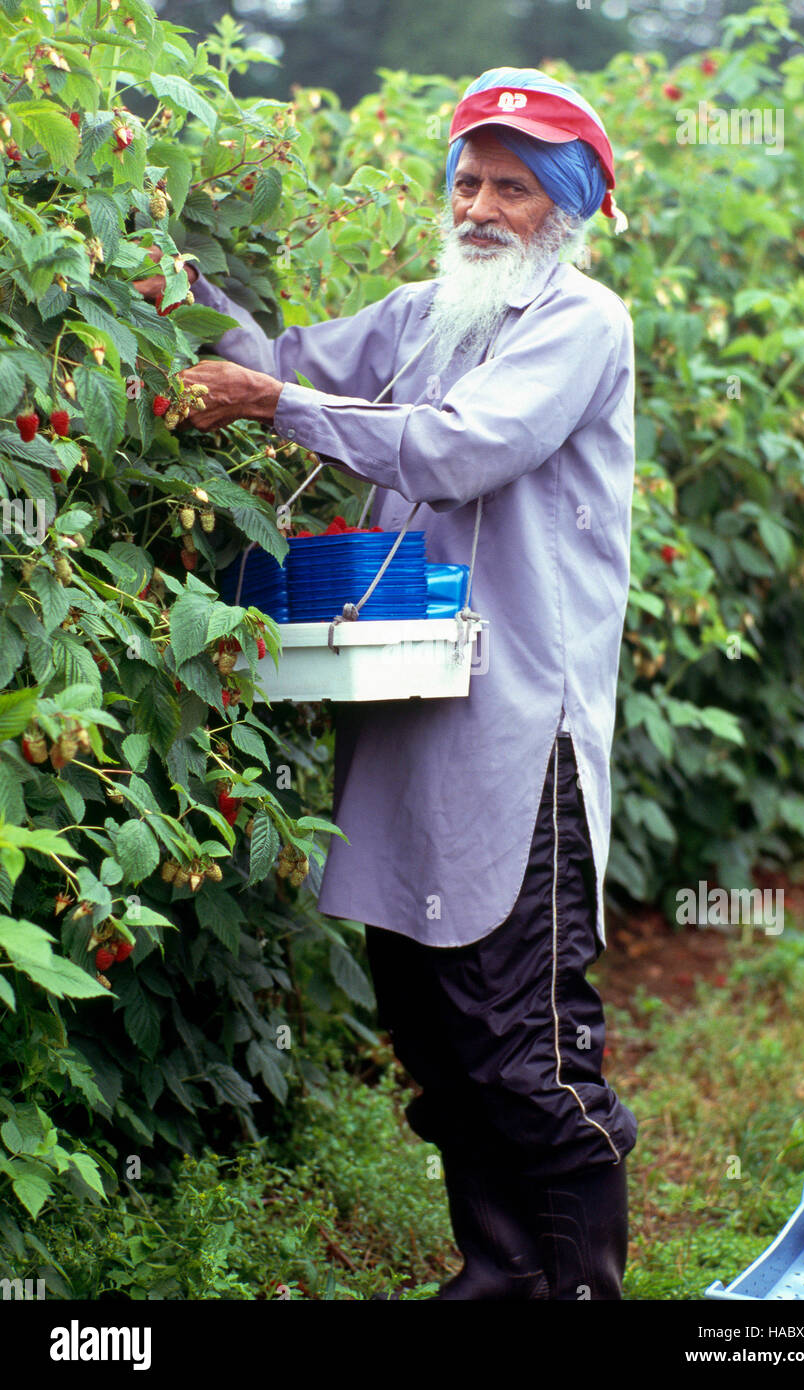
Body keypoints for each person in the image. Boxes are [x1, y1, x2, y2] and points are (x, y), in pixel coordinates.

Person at [135, 65, 638, 1301]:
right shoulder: (425, 313)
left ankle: (578, 1284)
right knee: (440, 1028)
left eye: (514, 187)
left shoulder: (581, 321)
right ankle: (500, 1271)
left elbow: (463, 449)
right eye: (468, 178)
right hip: (411, 719)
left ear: (564, 209)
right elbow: (286, 363)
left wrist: (281, 399)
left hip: (519, 737)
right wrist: (160, 263)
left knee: (528, 1046)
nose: (479, 204)